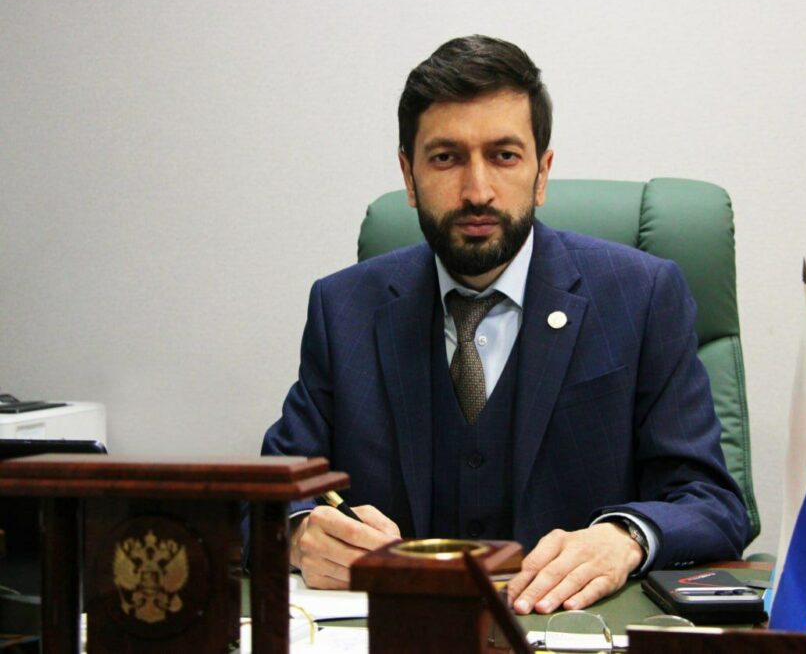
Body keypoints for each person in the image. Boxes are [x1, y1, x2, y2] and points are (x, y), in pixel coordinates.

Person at [261, 35, 750, 614]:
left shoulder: (641, 297)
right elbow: (262, 497)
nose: (477, 191)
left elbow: (712, 503)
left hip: (574, 633)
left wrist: (624, 538)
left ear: (542, 173)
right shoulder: (343, 308)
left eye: (504, 156)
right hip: (396, 631)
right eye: (446, 158)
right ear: (409, 176)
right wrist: (297, 533)